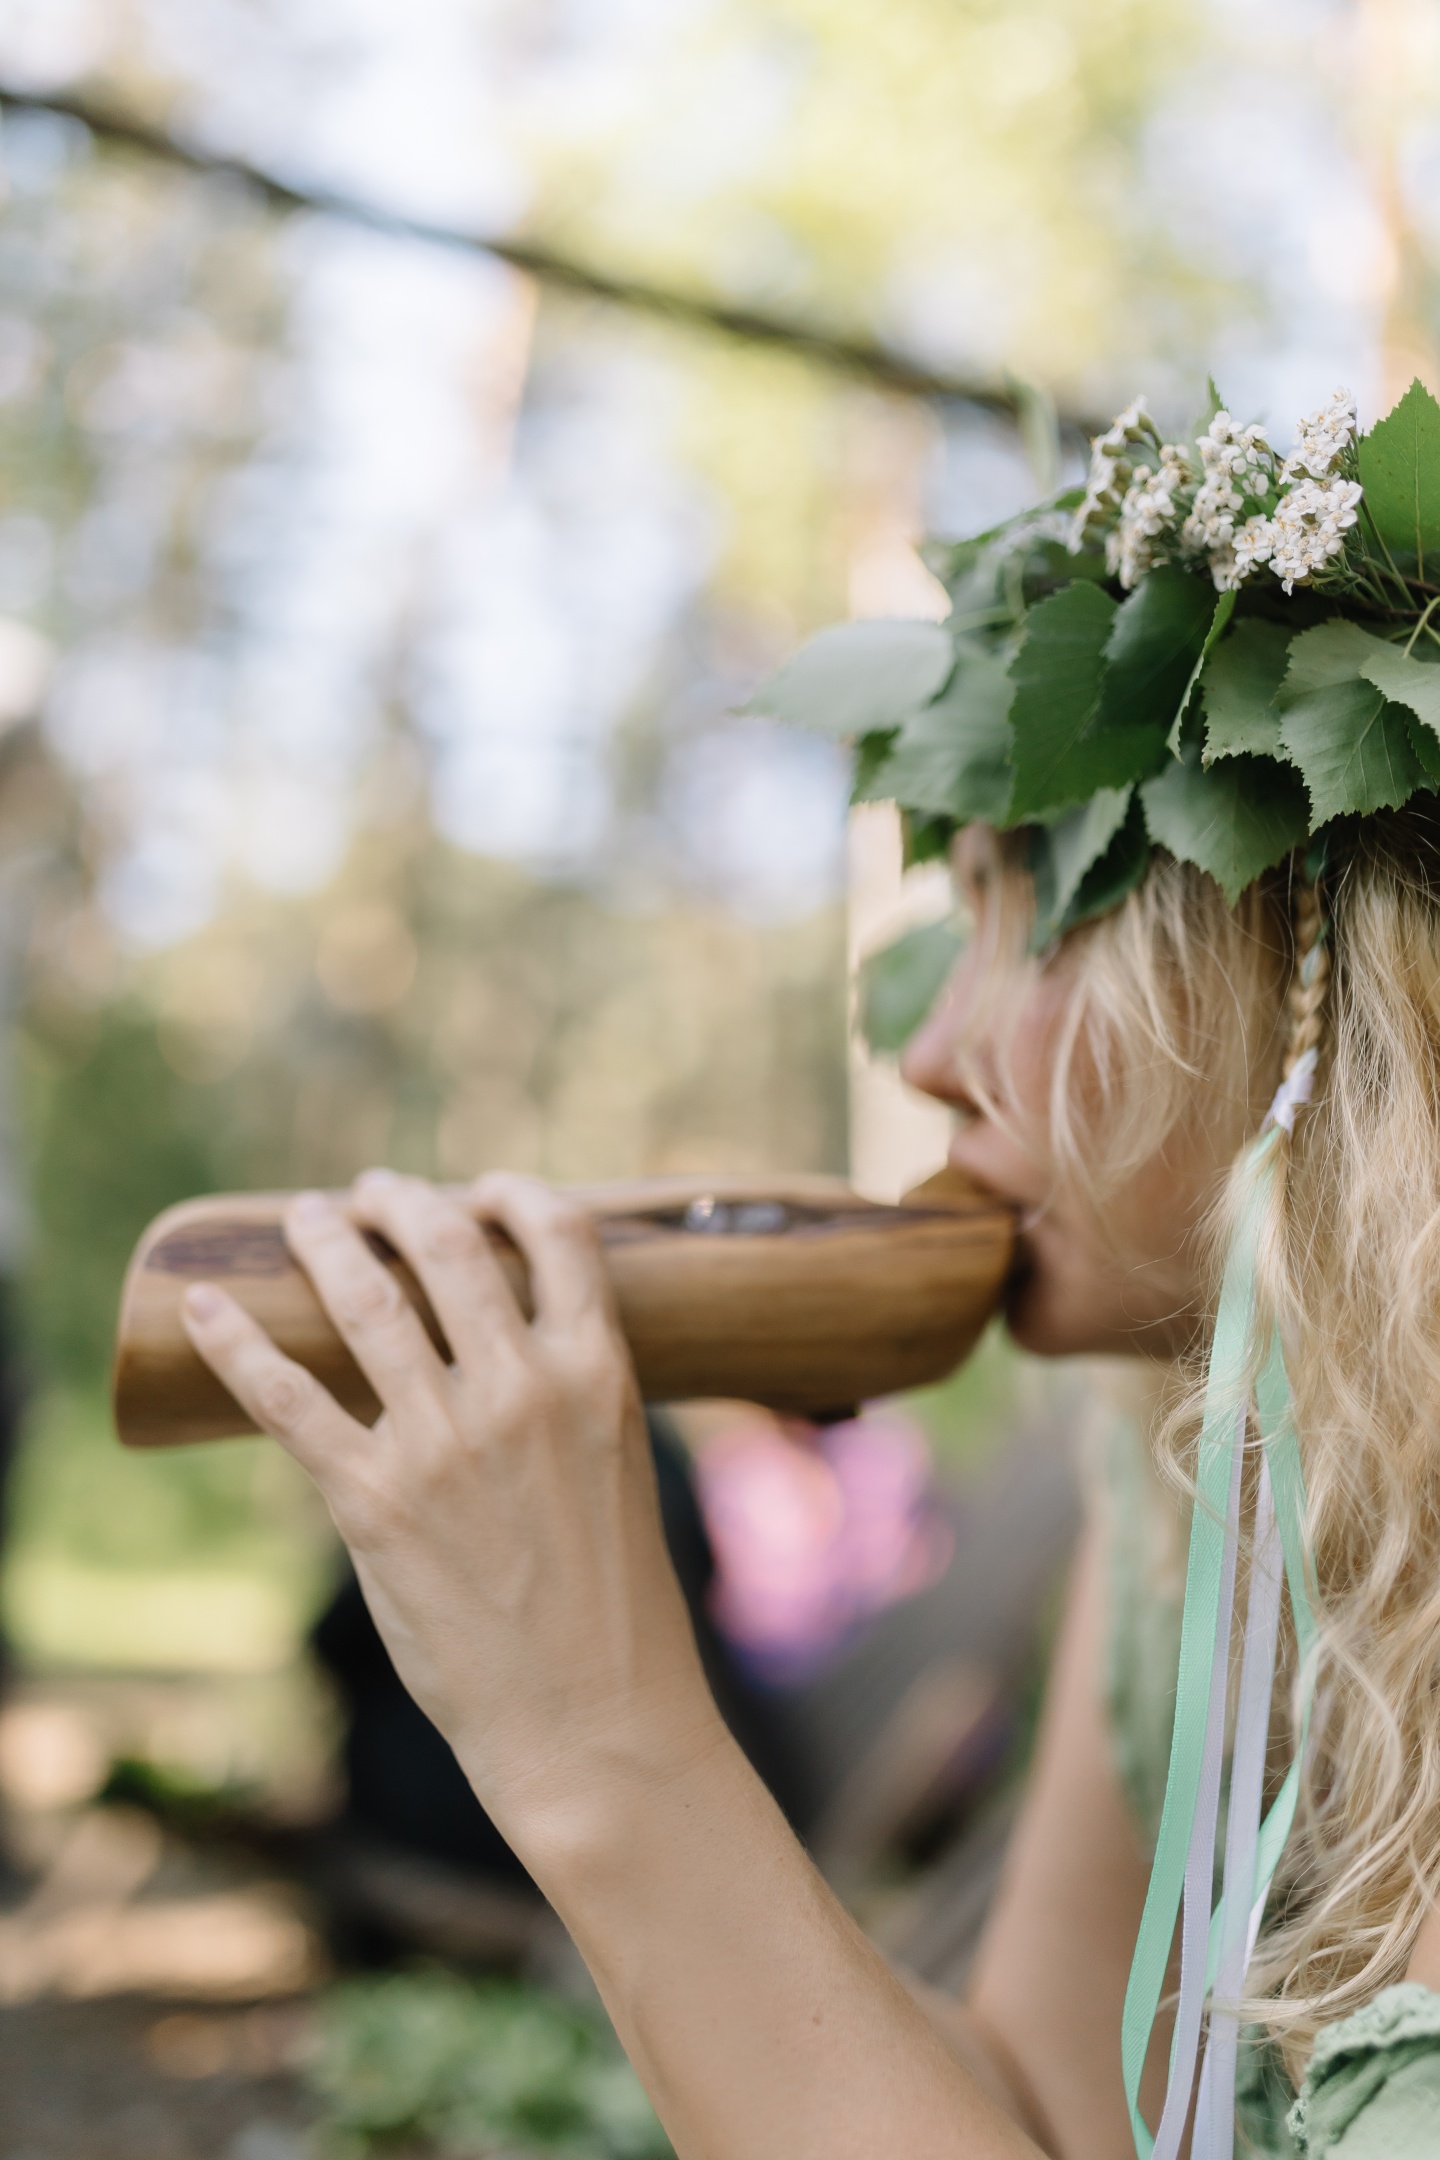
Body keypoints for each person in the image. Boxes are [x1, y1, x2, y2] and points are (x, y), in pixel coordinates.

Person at [178, 380, 1440, 2159]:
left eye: (1041, 902)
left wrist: (610, 1749)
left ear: (1330, 972)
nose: (934, 1049)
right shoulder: (1182, 1481)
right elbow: (1054, 2110)